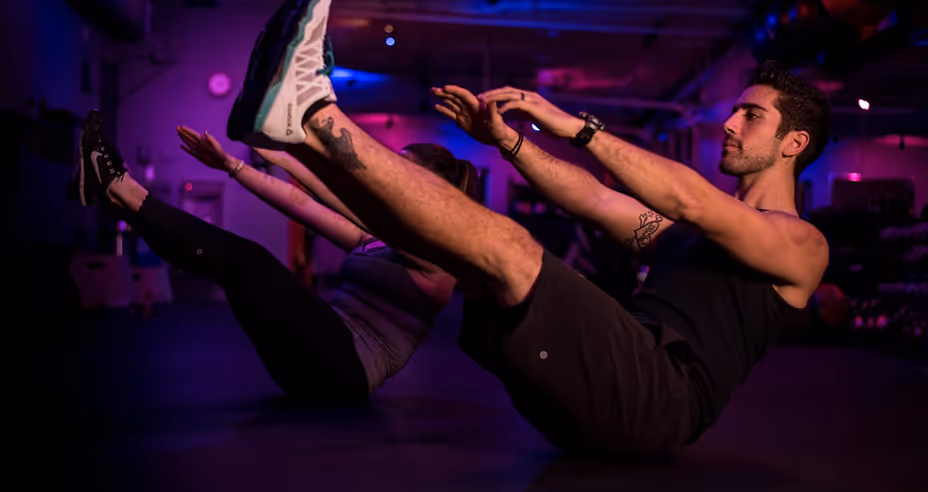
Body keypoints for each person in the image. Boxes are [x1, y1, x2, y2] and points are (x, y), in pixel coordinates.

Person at [226, 0, 830, 453]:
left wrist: (577, 128)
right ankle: (298, 138)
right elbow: (593, 197)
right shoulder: (686, 236)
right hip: (615, 381)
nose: (729, 123)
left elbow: (695, 201)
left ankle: (311, 116)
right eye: (734, 110)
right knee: (466, 251)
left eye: (751, 115)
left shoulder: (801, 246)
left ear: (793, 143)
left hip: (662, 398)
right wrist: (510, 141)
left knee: (513, 249)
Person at [70, 109, 479, 405]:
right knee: (234, 267)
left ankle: (120, 189)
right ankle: (115, 197)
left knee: (249, 261)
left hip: (344, 372)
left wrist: (297, 150)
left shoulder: (437, 261)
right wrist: (234, 163)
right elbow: (299, 203)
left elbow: (353, 201)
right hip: (309, 360)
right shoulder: (372, 237)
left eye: (399, 171)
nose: (386, 177)